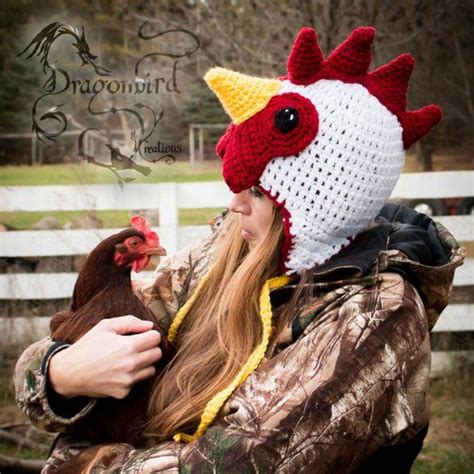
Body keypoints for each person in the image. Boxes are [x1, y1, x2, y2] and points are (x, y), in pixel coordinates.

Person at [14, 26, 465, 473]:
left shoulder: (372, 313)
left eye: (257, 191)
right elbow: (61, 347)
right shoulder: (222, 253)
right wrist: (62, 373)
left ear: (319, 206)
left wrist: (76, 459)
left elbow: (227, 464)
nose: (233, 204)